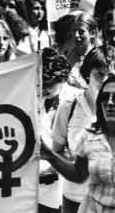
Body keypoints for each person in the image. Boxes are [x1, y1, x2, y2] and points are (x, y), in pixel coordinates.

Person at [51, 45, 115, 213]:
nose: (105, 79)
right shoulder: (68, 107)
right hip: (74, 198)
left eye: (110, 74)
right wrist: (77, 166)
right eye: (99, 74)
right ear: (87, 74)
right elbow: (56, 150)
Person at [38, 48, 73, 213]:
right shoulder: (30, 99)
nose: (42, 87)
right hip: (42, 192)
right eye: (39, 81)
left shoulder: (78, 101)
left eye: (48, 82)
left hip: (73, 187)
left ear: (62, 77)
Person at [66, 13, 101, 90]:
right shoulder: (66, 56)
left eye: (81, 31)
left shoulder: (99, 58)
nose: (76, 35)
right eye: (74, 31)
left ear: (92, 33)